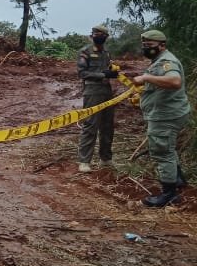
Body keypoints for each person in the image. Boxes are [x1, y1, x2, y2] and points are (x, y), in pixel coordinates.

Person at [127, 30, 192, 208]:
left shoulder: (166, 61)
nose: (145, 48)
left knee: (162, 151)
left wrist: (146, 77)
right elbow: (160, 85)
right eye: (144, 45)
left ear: (162, 45)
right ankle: (177, 180)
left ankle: (169, 194)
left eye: (149, 45)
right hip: (168, 112)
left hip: (165, 116)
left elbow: (175, 81)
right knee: (168, 148)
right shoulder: (159, 60)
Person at [76, 24, 119, 172]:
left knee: (108, 126)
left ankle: (106, 159)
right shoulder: (85, 51)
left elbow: (108, 68)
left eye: (101, 35)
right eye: (95, 34)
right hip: (92, 91)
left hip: (107, 90)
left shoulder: (107, 53)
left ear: (106, 37)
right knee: (90, 125)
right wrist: (103, 75)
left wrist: (112, 72)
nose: (98, 36)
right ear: (92, 36)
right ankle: (84, 162)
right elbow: (82, 73)